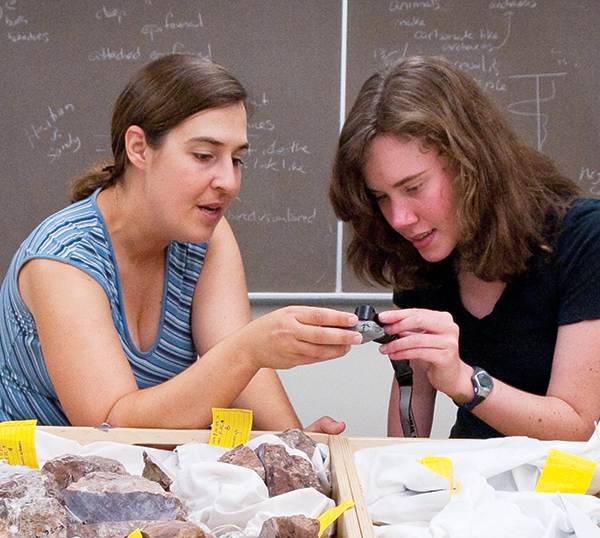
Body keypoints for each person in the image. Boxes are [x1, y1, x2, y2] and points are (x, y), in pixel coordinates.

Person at [0, 55, 362, 432]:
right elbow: (112, 428)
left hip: (140, 478)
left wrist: (296, 444)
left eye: (237, 160)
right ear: (139, 148)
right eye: (204, 156)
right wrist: (250, 348)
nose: (228, 181)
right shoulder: (64, 261)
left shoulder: (207, 238)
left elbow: (243, 377)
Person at [330, 54, 600, 441]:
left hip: (563, 491)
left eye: (413, 188)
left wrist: (462, 379)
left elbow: (575, 426)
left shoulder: (585, 238)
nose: (399, 218)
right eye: (382, 197)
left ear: (470, 164)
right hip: (471, 483)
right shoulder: (421, 253)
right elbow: (410, 422)